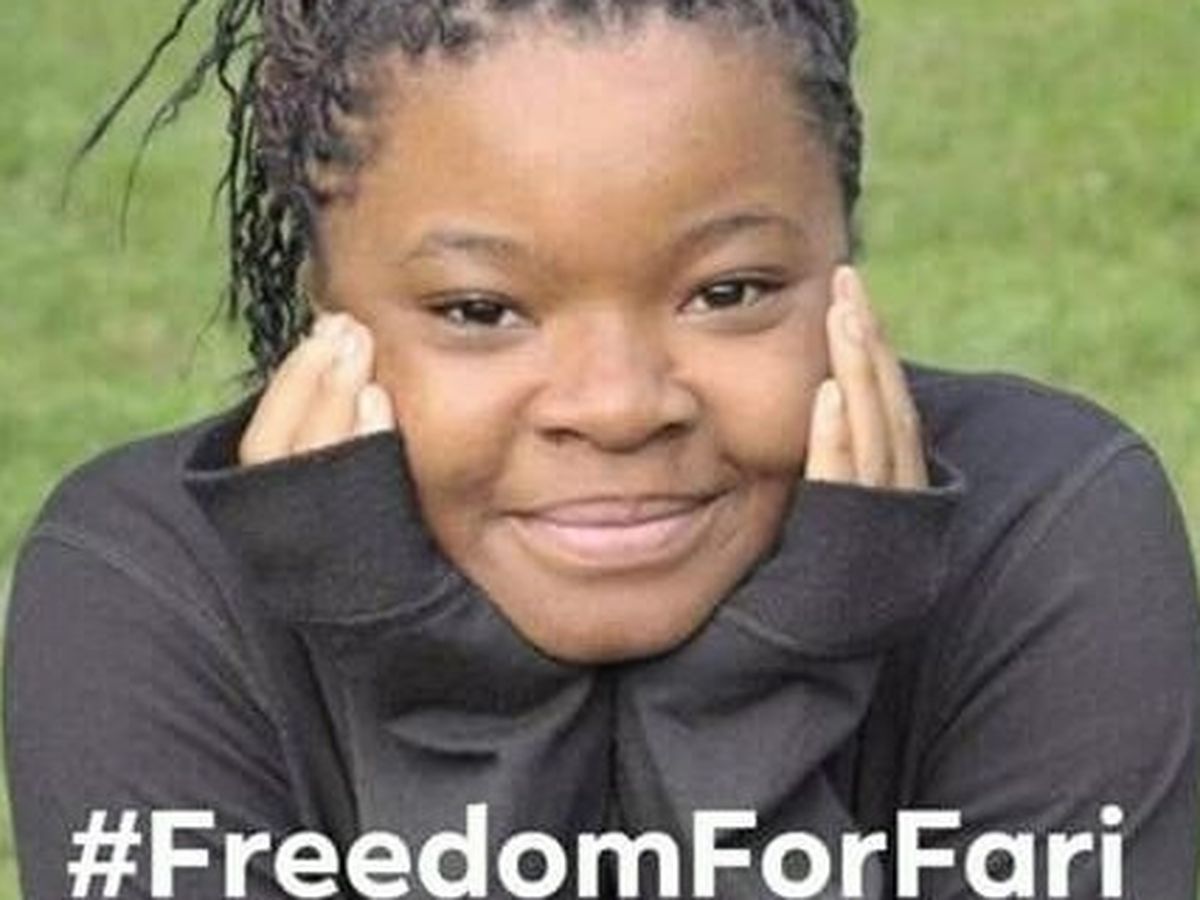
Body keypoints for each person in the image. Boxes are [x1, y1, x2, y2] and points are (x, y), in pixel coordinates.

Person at [5, 0, 1198, 898]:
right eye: (481, 310)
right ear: (329, 308)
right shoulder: (153, 592)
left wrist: (761, 704)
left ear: (842, 255)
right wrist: (448, 701)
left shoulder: (1041, 535)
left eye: (729, 291)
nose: (620, 407)